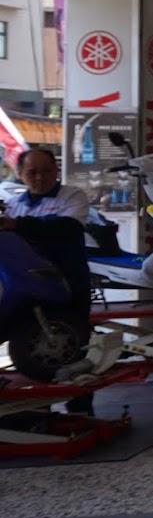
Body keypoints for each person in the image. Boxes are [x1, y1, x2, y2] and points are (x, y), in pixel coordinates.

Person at [2, 147, 94, 410]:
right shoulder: (14, 205)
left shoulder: (72, 196)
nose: (40, 177)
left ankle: (82, 413)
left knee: (74, 351)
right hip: (26, 288)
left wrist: (18, 225)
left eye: (46, 171)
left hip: (69, 284)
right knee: (29, 349)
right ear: (20, 174)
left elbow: (67, 227)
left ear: (56, 171)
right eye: (32, 172)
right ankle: (38, 413)